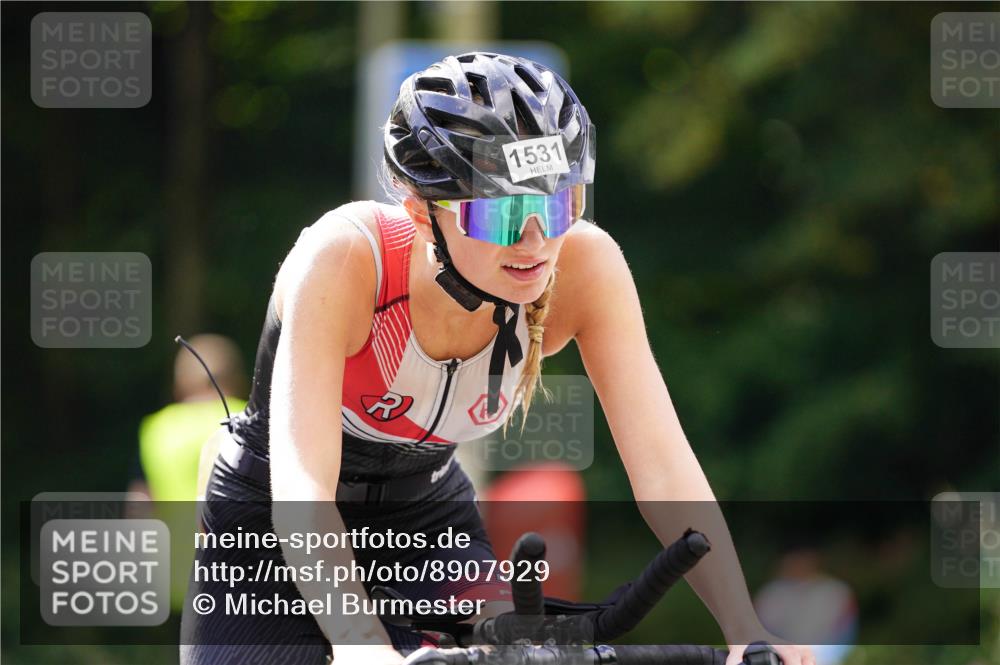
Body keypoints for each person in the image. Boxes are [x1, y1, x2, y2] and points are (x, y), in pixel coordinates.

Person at [180, 52, 815, 665]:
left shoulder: (587, 267)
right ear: (422, 212)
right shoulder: (346, 259)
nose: (536, 242)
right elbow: (304, 486)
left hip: (427, 521)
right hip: (270, 523)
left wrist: (745, 629)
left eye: (558, 205)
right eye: (505, 214)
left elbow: (664, 468)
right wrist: (358, 642)